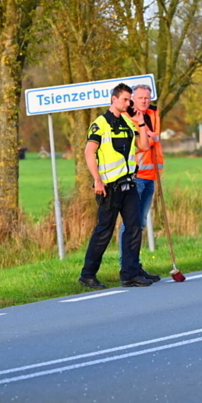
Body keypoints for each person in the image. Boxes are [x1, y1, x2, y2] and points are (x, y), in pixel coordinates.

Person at [78, 83, 153, 289]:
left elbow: (144, 146)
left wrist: (140, 123)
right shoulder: (100, 123)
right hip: (109, 187)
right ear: (114, 99)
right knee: (104, 231)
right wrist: (97, 180)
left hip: (129, 184)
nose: (128, 103)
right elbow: (89, 152)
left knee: (134, 227)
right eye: (125, 100)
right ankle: (88, 274)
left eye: (130, 100)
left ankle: (129, 274)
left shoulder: (128, 123)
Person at [118, 84, 163, 281]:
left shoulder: (153, 114)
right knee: (131, 223)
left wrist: (152, 137)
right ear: (133, 99)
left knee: (141, 222)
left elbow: (154, 139)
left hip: (151, 175)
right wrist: (151, 137)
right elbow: (140, 143)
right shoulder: (127, 117)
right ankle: (127, 266)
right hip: (136, 176)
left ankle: (135, 265)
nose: (144, 100)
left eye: (147, 97)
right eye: (140, 97)